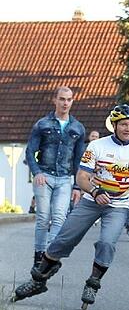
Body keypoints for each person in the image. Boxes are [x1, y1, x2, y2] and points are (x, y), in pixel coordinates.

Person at [12, 105, 129, 310]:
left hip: (118, 206)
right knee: (63, 239)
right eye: (123, 124)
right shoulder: (97, 147)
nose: (128, 129)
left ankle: (93, 283)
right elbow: (82, 177)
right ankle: (38, 280)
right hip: (91, 201)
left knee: (107, 244)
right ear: (114, 125)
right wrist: (95, 192)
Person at [25, 86, 87, 265]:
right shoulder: (42, 124)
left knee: (60, 217)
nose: (65, 103)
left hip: (65, 179)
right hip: (44, 175)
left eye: (68, 99)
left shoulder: (78, 128)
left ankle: (48, 258)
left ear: (72, 101)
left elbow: (78, 159)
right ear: (55, 100)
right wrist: (36, 173)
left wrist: (77, 186)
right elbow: (30, 152)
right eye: (62, 99)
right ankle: (38, 254)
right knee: (44, 218)